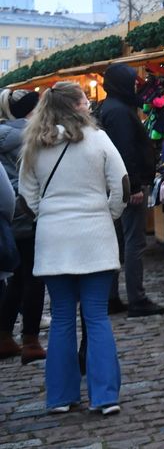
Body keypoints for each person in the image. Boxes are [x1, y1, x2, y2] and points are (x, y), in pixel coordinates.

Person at [18, 82, 128, 415]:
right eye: (84, 101)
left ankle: (60, 397)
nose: (89, 106)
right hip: (94, 236)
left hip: (54, 239)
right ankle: (105, 396)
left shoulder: (35, 145)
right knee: (96, 317)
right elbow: (121, 186)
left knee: (63, 318)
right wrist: (105, 215)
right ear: (74, 107)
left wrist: (50, 216)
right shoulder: (99, 140)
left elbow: (27, 196)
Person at [97, 64, 164, 318]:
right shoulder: (118, 111)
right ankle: (136, 299)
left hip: (121, 184)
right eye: (131, 81)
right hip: (127, 185)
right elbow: (124, 150)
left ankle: (112, 297)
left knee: (119, 242)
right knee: (133, 242)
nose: (135, 85)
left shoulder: (114, 106)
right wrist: (135, 185)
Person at [0, 87, 45, 363]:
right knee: (34, 277)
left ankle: (4, 335)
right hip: (27, 213)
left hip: (7, 219)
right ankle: (31, 340)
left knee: (16, 277)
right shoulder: (30, 138)